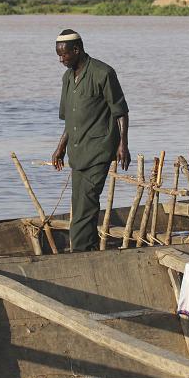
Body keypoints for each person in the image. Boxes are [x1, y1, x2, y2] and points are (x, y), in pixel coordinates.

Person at [51, 29, 130, 252]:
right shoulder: (67, 78)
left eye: (64, 55)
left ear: (77, 50)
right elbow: (71, 120)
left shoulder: (103, 73)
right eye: (58, 55)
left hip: (99, 149)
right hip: (78, 153)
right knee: (80, 205)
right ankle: (90, 248)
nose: (61, 60)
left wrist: (122, 144)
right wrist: (60, 148)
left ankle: (79, 251)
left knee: (85, 205)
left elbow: (120, 111)